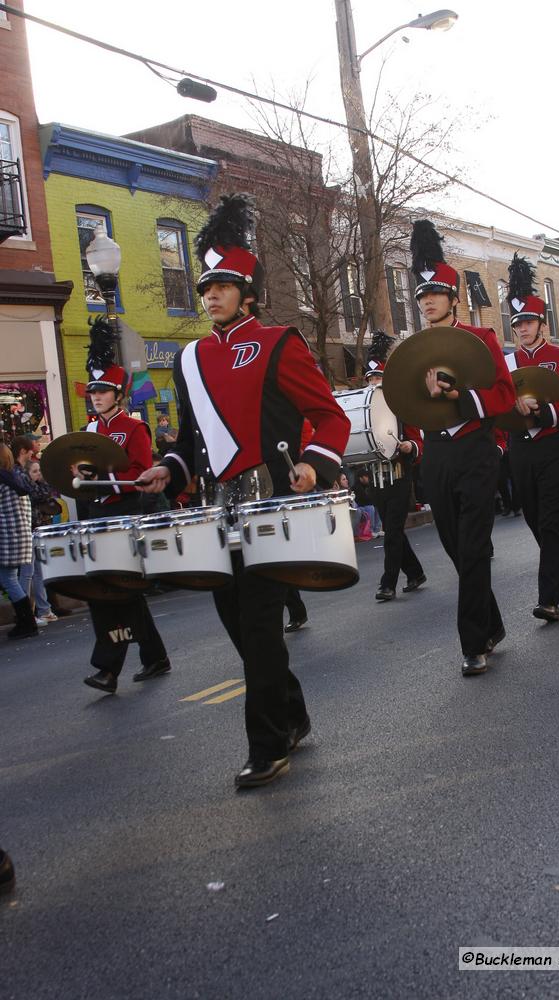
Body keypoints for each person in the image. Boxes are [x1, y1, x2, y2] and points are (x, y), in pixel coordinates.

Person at [137, 194, 351, 789]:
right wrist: (169, 470)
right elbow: (188, 441)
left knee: (259, 629)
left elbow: (330, 417)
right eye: (206, 285)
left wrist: (313, 465)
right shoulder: (189, 358)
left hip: (269, 513)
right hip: (214, 514)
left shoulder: (280, 342)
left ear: (248, 292)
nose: (210, 294)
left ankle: (267, 745)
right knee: (242, 632)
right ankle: (293, 713)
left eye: (222, 285)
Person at [410, 220, 515, 675]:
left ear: (453, 298)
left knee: (473, 548)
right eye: (422, 295)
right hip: (436, 455)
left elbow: (506, 398)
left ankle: (473, 644)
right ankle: (490, 623)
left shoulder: (483, 339)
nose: (427, 300)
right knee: (457, 549)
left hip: (475, 451)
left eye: (435, 293)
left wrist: (464, 399)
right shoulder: (413, 348)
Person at [73, 318, 171, 694]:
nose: (95, 397)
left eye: (102, 392)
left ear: (118, 394)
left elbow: (139, 472)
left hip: (125, 510)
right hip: (98, 513)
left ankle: (108, 669)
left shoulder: (134, 429)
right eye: (92, 392)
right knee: (114, 590)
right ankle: (155, 655)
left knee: (114, 590)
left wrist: (103, 477)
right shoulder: (90, 431)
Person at [504, 254, 559, 622]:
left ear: (541, 323)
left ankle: (548, 598)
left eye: (528, 322)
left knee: (551, 521)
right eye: (517, 322)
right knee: (537, 521)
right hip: (521, 449)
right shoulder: (505, 364)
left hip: (553, 446)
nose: (521, 328)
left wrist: (544, 411)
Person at [362, 330, 426, 602]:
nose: (375, 382)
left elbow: (417, 438)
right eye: (371, 378)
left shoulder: (400, 404)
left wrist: (410, 447)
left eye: (379, 378)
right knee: (393, 529)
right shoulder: (364, 409)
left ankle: (387, 583)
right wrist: (362, 472)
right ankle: (415, 572)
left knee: (392, 530)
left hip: (399, 474)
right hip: (376, 479)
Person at [10, 439, 59, 625]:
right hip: (26, 524)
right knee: (28, 571)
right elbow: (38, 494)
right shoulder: (18, 473)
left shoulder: (18, 472)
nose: (34, 453)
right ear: (24, 451)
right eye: (31, 450)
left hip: (32, 523)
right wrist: (41, 483)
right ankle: (27, 613)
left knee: (35, 570)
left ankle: (43, 609)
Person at [0, 443, 39, 639]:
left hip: (6, 536)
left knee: (8, 579)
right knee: (11, 578)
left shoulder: (2, 481)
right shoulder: (15, 478)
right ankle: (27, 620)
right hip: (21, 535)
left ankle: (27, 621)